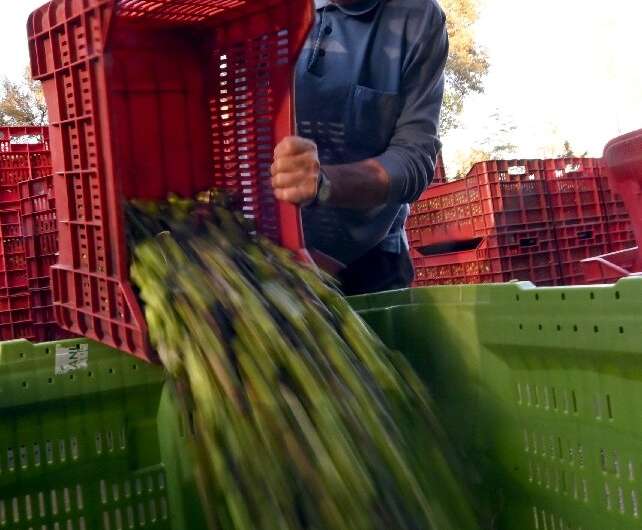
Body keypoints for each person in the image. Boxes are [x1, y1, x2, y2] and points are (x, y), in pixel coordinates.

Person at [271, 0, 448, 295]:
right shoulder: (264, 12)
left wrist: (325, 183)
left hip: (369, 262)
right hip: (267, 261)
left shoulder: (417, 17)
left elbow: (414, 157)